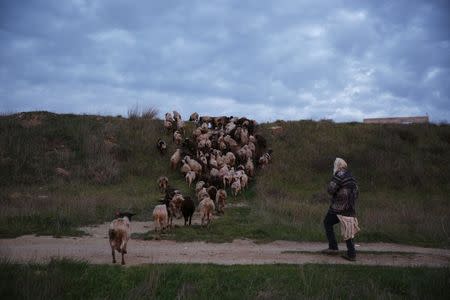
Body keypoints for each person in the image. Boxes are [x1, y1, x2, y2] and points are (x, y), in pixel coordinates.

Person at [321, 158, 360, 261]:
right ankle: (352, 254)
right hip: (350, 207)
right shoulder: (351, 176)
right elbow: (356, 191)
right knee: (348, 228)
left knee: (327, 222)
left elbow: (330, 189)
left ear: (337, 166)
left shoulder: (339, 175)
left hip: (339, 206)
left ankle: (333, 247)